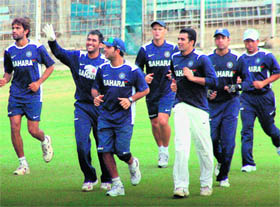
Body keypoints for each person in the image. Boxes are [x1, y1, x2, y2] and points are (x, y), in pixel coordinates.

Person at [42, 24, 112, 191]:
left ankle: (107, 177)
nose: (90, 42)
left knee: (102, 145)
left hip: (101, 109)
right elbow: (59, 53)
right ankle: (89, 177)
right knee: (81, 144)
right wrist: (52, 41)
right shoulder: (78, 57)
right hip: (82, 107)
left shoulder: (105, 63)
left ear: (101, 45)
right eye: (88, 39)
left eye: (94, 40)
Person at [92, 37, 149, 196]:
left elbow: (145, 90)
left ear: (117, 50)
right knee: (104, 150)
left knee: (122, 152)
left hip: (124, 118)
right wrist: (95, 97)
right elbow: (95, 88)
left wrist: (130, 100)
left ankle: (132, 163)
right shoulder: (102, 68)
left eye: (108, 47)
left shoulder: (132, 70)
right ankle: (117, 185)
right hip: (105, 116)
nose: (104, 49)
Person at [0, 17, 54, 175]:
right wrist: (4, 80)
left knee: (33, 130)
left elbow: (50, 66)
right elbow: (9, 72)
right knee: (14, 126)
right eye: (13, 28)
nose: (14, 31)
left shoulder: (37, 47)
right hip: (16, 94)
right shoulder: (9, 51)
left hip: (33, 95)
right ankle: (23, 164)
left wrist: (39, 82)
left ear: (26, 31)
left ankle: (45, 140)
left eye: (17, 28)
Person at [170, 28, 217, 198]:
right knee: (181, 146)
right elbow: (175, 78)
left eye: (183, 39)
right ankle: (181, 186)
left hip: (199, 108)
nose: (179, 42)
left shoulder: (201, 59)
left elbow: (213, 82)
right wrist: (174, 84)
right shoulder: (174, 58)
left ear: (192, 42)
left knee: (204, 148)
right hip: (181, 106)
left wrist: (193, 78)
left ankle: (206, 183)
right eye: (178, 38)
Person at [207, 28, 251, 187]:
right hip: (212, 104)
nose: (220, 41)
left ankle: (223, 176)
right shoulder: (208, 59)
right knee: (211, 138)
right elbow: (202, 82)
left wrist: (235, 88)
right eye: (217, 38)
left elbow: (248, 82)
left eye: (223, 38)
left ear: (228, 40)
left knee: (228, 141)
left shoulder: (237, 59)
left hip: (231, 103)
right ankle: (220, 160)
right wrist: (207, 93)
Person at [135, 20, 177, 168]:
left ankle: (165, 150)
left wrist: (173, 75)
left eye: (160, 29)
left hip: (167, 90)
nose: (157, 32)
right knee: (154, 123)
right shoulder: (145, 49)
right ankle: (160, 149)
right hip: (152, 92)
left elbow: (179, 65)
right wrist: (143, 77)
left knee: (163, 121)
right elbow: (137, 69)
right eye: (154, 29)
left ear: (165, 30)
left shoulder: (172, 48)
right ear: (151, 31)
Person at [239, 28, 280, 172]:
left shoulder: (266, 56)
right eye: (247, 41)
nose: (249, 44)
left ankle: (278, 143)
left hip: (264, 98)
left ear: (257, 41)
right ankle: (248, 163)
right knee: (246, 130)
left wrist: (263, 83)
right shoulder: (241, 59)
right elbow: (237, 76)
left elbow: (277, 72)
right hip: (247, 98)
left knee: (269, 129)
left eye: (252, 41)